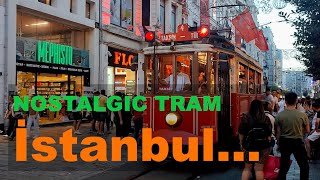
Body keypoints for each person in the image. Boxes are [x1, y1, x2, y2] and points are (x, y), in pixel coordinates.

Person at [275, 92, 310, 180]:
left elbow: (278, 133)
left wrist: (278, 144)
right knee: (304, 165)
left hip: (284, 141)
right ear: (296, 101)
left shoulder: (279, 115)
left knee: (283, 166)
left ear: (285, 101)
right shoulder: (302, 115)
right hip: (298, 141)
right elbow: (307, 130)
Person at [238, 100, 272, 180]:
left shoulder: (246, 117)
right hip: (263, 146)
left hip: (250, 146)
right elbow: (269, 133)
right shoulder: (266, 118)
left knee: (247, 169)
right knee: (259, 169)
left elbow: (241, 132)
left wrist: (241, 143)